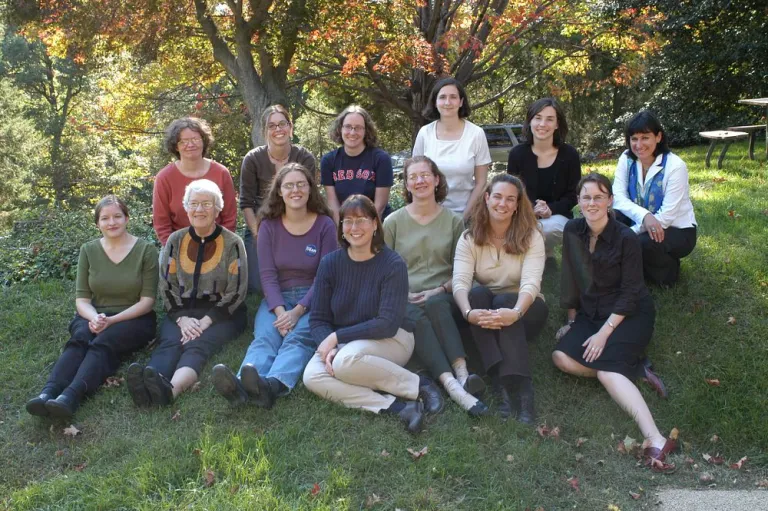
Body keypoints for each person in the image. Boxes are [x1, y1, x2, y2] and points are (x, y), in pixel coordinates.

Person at [553, 172, 675, 471]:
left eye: (598, 197)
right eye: (586, 197)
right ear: (578, 201)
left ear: (609, 201)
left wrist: (604, 335)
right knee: (560, 357)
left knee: (607, 371)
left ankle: (657, 439)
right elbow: (570, 278)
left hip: (629, 313)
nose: (591, 203)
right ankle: (634, 369)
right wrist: (571, 319)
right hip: (590, 313)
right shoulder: (572, 230)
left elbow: (632, 292)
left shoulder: (627, 238)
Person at [303, 195, 443, 434]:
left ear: (375, 224)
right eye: (348, 221)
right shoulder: (329, 263)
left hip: (392, 338)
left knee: (345, 364)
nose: (354, 228)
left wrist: (336, 339)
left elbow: (386, 324)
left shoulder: (392, 264)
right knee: (312, 377)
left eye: (361, 220)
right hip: (346, 343)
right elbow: (318, 319)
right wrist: (331, 346)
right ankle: (397, 407)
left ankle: (418, 384)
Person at [212, 163, 336, 408]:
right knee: (265, 338)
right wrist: (280, 311)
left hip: (315, 298)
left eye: (301, 184)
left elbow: (326, 276)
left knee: (298, 339)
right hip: (276, 297)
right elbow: (266, 274)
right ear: (279, 191)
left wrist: (297, 311)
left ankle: (272, 385)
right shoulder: (268, 225)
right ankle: (239, 385)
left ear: (310, 189)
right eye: (289, 185)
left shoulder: (325, 225)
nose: (295, 190)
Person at [26, 196, 158, 418]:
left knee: (104, 341)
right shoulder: (88, 250)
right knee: (80, 338)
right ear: (97, 223)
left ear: (127, 218)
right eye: (105, 218)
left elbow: (147, 302)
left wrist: (111, 321)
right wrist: (95, 318)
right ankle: (47, 393)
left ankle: (71, 396)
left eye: (117, 216)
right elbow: (82, 300)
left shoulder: (146, 250)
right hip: (94, 314)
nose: (112, 222)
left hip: (134, 318)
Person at [383, 156, 489, 416]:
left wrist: (440, 289)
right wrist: (403, 294)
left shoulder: (453, 221)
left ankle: (462, 373)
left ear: (436, 179)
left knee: (434, 303)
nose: (419, 181)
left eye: (425, 175)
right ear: (406, 186)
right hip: (404, 297)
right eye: (413, 177)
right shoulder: (392, 223)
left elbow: (464, 270)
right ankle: (453, 385)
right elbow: (382, 271)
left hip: (444, 294)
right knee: (414, 314)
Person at [128, 179, 248, 407]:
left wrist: (204, 322)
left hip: (223, 314)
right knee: (170, 342)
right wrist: (182, 319)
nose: (199, 209)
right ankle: (149, 383)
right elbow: (167, 286)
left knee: (197, 345)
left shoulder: (233, 243)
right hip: (181, 311)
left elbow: (236, 291)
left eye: (206, 204)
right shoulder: (175, 241)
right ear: (186, 207)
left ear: (218, 209)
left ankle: (169, 392)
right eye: (194, 204)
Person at [452, 174, 548, 424]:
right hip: (486, 311)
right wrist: (467, 313)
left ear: (517, 205)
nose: (502, 204)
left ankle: (523, 389)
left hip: (527, 309)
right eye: (497, 197)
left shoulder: (532, 236)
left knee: (505, 301)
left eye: (510, 199)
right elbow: (460, 282)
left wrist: (515, 312)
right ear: (486, 198)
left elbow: (531, 283)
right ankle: (503, 384)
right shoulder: (469, 238)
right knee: (476, 295)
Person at [612, 111, 697, 287]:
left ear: (658, 137)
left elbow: (666, 217)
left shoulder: (675, 166)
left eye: (645, 137)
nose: (638, 144)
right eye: (634, 138)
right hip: (641, 219)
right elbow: (618, 197)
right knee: (608, 219)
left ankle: (667, 273)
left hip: (677, 229)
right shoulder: (626, 159)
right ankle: (623, 268)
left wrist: (630, 234)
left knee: (644, 242)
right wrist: (644, 216)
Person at [240, 105, 317, 294]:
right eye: (272, 125)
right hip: (261, 224)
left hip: (298, 221)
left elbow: (311, 197)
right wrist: (258, 233)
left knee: (302, 277)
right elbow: (246, 203)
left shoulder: (304, 157)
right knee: (258, 286)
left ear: (290, 128)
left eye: (282, 124)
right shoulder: (252, 159)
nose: (278, 130)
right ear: (264, 131)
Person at [507, 98, 581, 262]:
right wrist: (531, 209)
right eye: (538, 118)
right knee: (522, 228)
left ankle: (544, 254)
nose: (542, 124)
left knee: (547, 228)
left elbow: (573, 195)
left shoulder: (569, 155)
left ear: (557, 124)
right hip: (523, 215)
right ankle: (542, 258)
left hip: (557, 218)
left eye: (549, 119)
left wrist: (550, 209)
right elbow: (511, 192)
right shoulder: (517, 154)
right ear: (530, 121)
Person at [412, 77, 491, 220]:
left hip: (467, 214)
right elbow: (414, 177)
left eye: (453, 97)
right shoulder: (425, 133)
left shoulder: (476, 134)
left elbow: (481, 183)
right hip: (429, 215)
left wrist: (464, 218)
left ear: (461, 102)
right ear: (435, 102)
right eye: (442, 97)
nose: (447, 102)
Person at [152, 117, 238, 245]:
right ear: (175, 146)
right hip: (177, 247)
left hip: (218, 244)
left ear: (204, 141)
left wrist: (221, 246)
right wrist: (175, 250)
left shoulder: (221, 173)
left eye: (195, 139)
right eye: (184, 141)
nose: (190, 145)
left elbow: (229, 217)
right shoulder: (164, 178)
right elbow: (161, 224)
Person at [320, 105, 394, 222]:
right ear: (340, 129)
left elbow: (379, 206)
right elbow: (332, 203)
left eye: (358, 128)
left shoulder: (381, 159)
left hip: (376, 223)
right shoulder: (329, 161)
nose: (353, 132)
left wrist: (364, 229)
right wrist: (344, 229)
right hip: (344, 225)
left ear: (366, 131)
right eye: (348, 127)